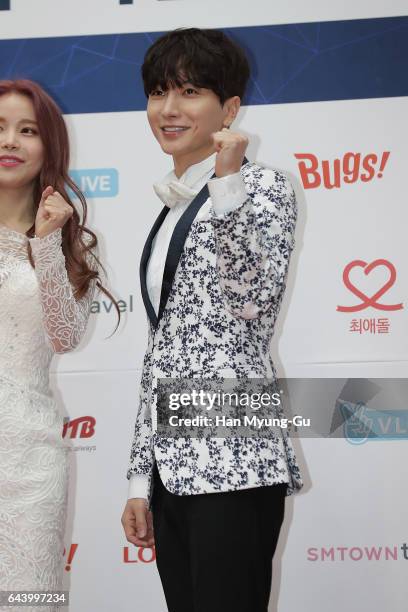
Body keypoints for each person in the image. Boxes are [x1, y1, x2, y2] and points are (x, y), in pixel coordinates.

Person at [121, 28, 303, 612]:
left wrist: (228, 180)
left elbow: (251, 304)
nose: (168, 109)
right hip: (172, 467)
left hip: (235, 457)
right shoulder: (170, 208)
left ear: (229, 108)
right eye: (157, 92)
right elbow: (162, 349)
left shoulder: (262, 188)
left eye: (189, 91)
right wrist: (138, 478)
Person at [0, 79, 114, 610]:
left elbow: (65, 338)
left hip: (29, 462)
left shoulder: (72, 242)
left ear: (48, 146)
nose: (11, 142)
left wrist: (45, 244)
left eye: (27, 130)